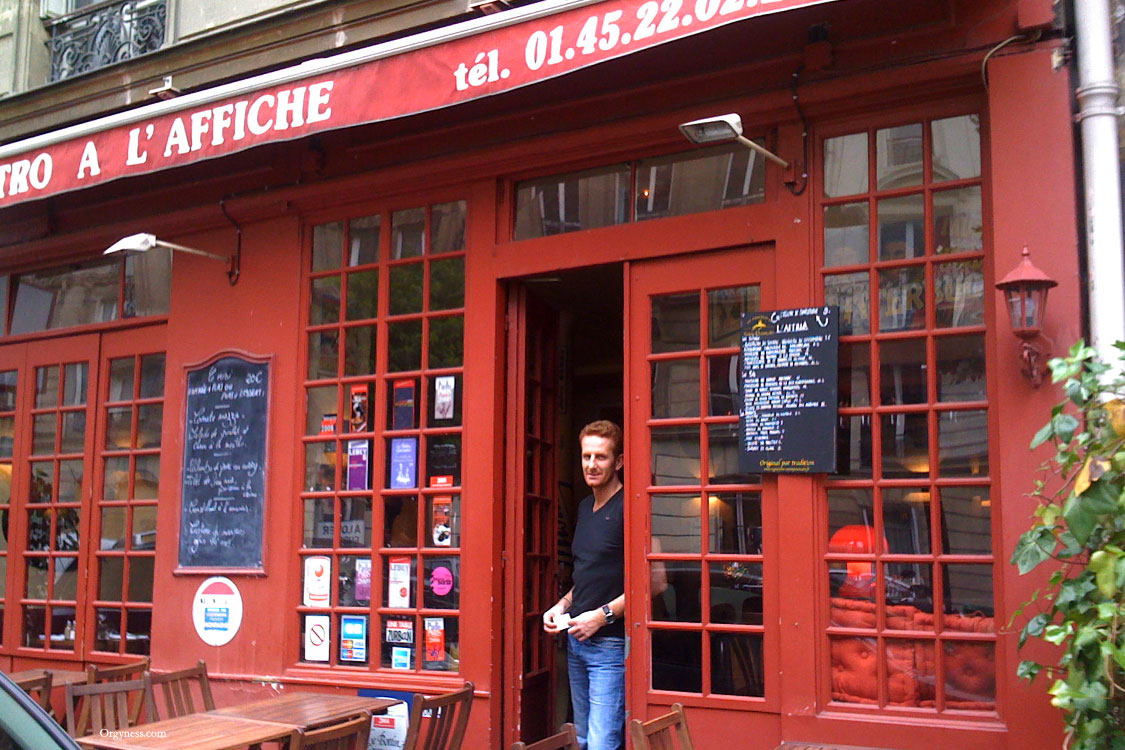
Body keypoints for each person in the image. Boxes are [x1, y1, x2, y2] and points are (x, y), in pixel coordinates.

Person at [543, 420, 626, 750]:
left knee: (604, 742)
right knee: (583, 739)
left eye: (601, 457)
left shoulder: (629, 507)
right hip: (576, 643)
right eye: (586, 456)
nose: (592, 465)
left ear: (618, 462)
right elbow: (588, 574)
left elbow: (652, 582)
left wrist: (602, 616)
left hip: (610, 647)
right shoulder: (584, 508)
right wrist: (561, 606)